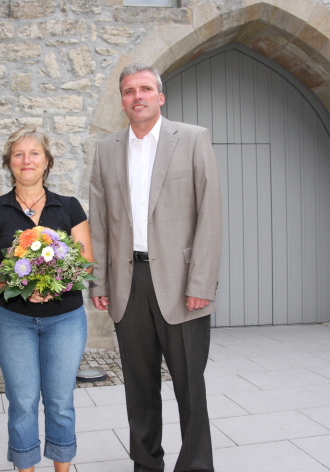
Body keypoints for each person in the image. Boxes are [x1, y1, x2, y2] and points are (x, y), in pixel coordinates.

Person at [89, 63, 222, 472]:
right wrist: (99, 280)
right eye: (129, 91)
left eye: (145, 89)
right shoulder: (107, 148)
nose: (138, 96)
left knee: (189, 384)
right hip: (129, 282)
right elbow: (98, 220)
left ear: (160, 97)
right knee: (139, 385)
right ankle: (147, 464)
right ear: (123, 100)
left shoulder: (193, 139)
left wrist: (201, 280)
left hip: (182, 284)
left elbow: (210, 214)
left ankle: (196, 465)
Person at [0, 125, 93, 472]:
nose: (27, 160)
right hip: (13, 320)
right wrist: (21, 283)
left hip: (65, 319)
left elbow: (84, 263)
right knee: (22, 401)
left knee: (60, 400)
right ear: (9, 163)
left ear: (47, 162)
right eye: (18, 154)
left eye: (34, 153)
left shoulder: (69, 207)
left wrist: (51, 284)